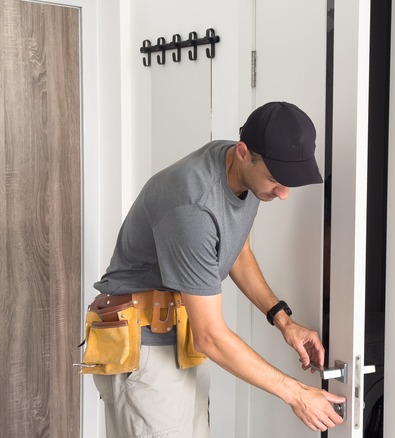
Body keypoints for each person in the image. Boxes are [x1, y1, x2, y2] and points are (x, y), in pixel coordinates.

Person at [91, 101, 345, 437]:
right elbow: (210, 336)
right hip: (145, 348)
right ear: (243, 153)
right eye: (275, 179)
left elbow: (238, 251)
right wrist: (297, 395)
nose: (283, 194)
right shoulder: (192, 205)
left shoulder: (244, 175)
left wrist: (283, 320)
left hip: (180, 338)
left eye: (290, 182)